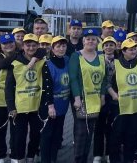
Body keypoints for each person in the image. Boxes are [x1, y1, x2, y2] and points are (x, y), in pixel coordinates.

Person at [5, 33, 54, 163]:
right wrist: (11, 107)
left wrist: (48, 103)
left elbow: (48, 83)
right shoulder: (14, 63)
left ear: (37, 46)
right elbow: (9, 88)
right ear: (23, 46)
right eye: (28, 45)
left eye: (34, 45)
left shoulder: (42, 61)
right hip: (19, 107)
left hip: (36, 106)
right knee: (19, 137)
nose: (31, 48)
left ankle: (31, 157)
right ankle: (19, 159)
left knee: (35, 135)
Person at [69, 28, 108, 163]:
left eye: (93, 39)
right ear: (83, 41)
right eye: (88, 39)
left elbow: (104, 79)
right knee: (81, 134)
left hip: (96, 100)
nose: (90, 41)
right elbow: (73, 78)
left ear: (97, 41)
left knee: (90, 133)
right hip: (82, 101)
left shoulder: (101, 57)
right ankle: (78, 160)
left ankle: (85, 158)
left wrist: (102, 96)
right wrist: (77, 98)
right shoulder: (76, 56)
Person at [107, 39, 137, 162]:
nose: (133, 51)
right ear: (123, 51)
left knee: (133, 137)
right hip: (119, 107)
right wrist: (114, 95)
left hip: (136, 107)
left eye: (134, 48)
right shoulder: (114, 64)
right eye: (130, 49)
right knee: (116, 137)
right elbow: (107, 83)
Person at [40, 36, 70, 163]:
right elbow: (47, 87)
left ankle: (53, 159)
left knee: (57, 135)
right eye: (58, 46)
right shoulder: (47, 64)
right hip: (50, 106)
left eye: (63, 46)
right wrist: (50, 106)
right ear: (52, 49)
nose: (61, 49)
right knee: (47, 135)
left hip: (63, 105)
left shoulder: (68, 60)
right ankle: (45, 160)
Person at [93, 36, 118, 163]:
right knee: (99, 127)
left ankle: (109, 153)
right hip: (100, 97)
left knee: (111, 128)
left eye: (111, 45)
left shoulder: (119, 61)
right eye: (106, 45)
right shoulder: (97, 61)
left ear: (115, 47)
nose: (108, 47)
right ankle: (97, 154)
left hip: (115, 99)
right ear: (102, 47)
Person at [0, 33, 17, 163]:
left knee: (16, 132)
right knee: (0, 131)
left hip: (17, 101)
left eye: (11, 42)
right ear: (0, 46)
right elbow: (1, 65)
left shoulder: (22, 54)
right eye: (5, 43)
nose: (8, 45)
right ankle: (0, 156)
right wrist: (16, 55)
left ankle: (15, 155)